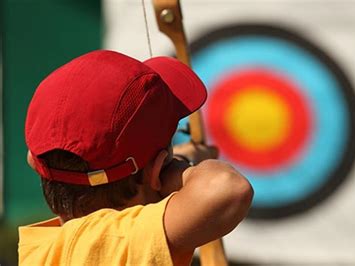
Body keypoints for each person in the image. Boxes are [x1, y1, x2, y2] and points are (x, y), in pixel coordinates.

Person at [18, 50, 254, 266]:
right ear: (158, 172)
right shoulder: (112, 242)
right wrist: (175, 172)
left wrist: (165, 163)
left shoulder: (44, 252)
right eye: (167, 159)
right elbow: (227, 188)